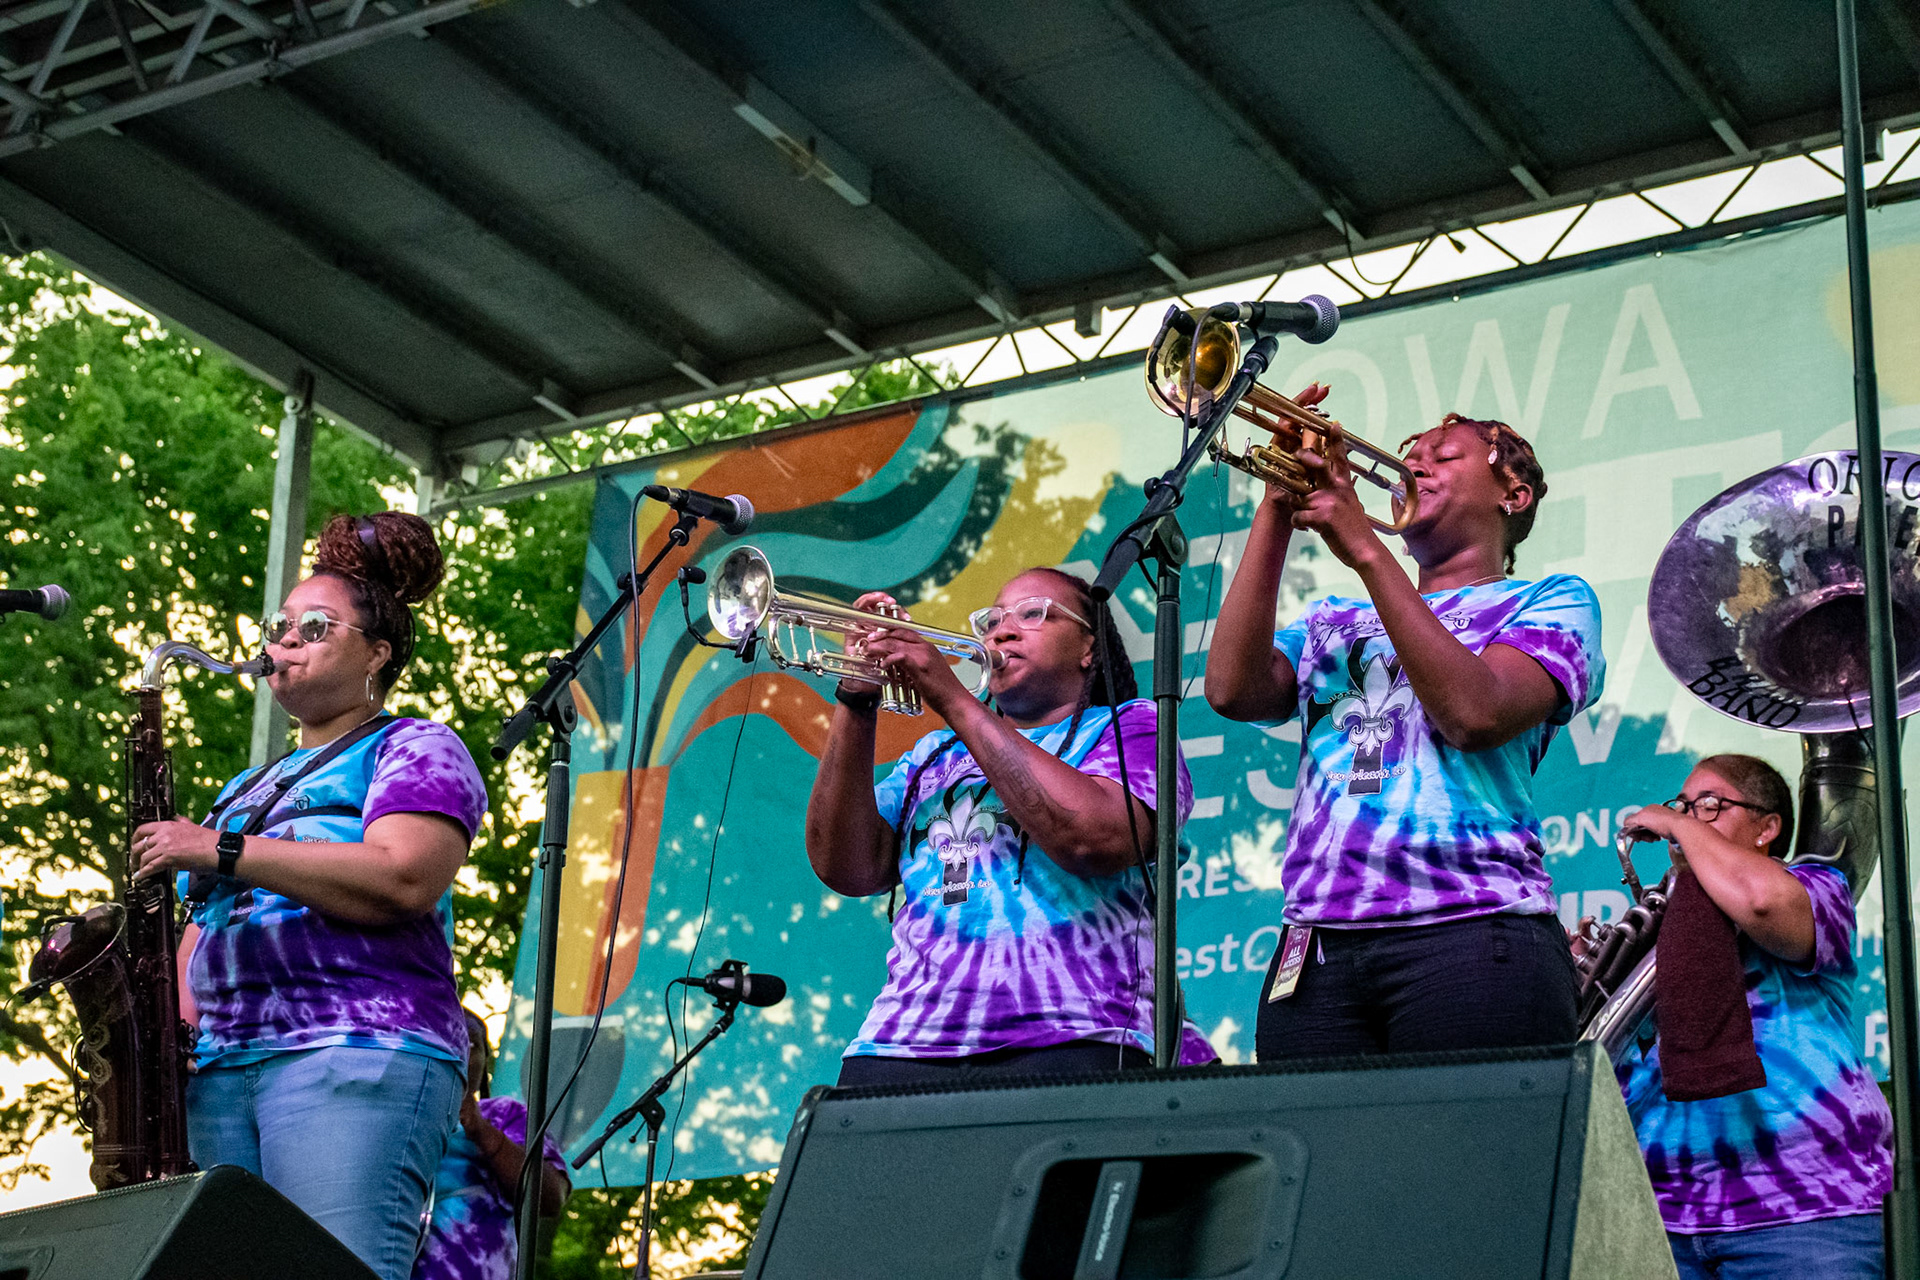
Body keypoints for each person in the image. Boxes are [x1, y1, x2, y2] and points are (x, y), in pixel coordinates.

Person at [132, 511, 489, 1280]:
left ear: (377, 655)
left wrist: (221, 847)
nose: (283, 642)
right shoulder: (244, 786)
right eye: (281, 625)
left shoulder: (416, 745)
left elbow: (403, 876)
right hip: (220, 1068)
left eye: (316, 627)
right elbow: (204, 923)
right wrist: (168, 1043)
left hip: (354, 1050)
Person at [1205, 398, 1604, 1059]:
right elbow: (1230, 689)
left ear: (1514, 493)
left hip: (1474, 932)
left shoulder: (1548, 600)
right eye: (1410, 454)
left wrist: (1363, 547)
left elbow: (1477, 715)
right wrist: (1277, 505)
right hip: (1315, 950)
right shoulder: (1332, 619)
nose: (1414, 463)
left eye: (1444, 456)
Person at [805, 565, 1214, 1082]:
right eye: (992, 619)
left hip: (1078, 1033)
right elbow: (846, 868)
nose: (1002, 630)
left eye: (1033, 613)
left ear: (1089, 647)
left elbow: (1092, 840)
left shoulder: (1132, 727)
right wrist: (856, 697)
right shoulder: (931, 756)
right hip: (900, 1044)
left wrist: (948, 695)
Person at [1614, 755, 1892, 1279]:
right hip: (1661, 1219)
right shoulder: (1662, 928)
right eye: (1683, 805)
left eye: (1712, 806)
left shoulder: (1813, 885)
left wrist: (1675, 823)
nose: (1690, 821)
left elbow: (1760, 901)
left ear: (1768, 828)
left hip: (1807, 1212)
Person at [413, 1009, 571, 1280]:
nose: (459, 1050)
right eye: (445, 1038)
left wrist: (480, 1129)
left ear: (485, 1062)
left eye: (472, 1043)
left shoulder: (505, 1114)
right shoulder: (397, 1115)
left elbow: (550, 1197)